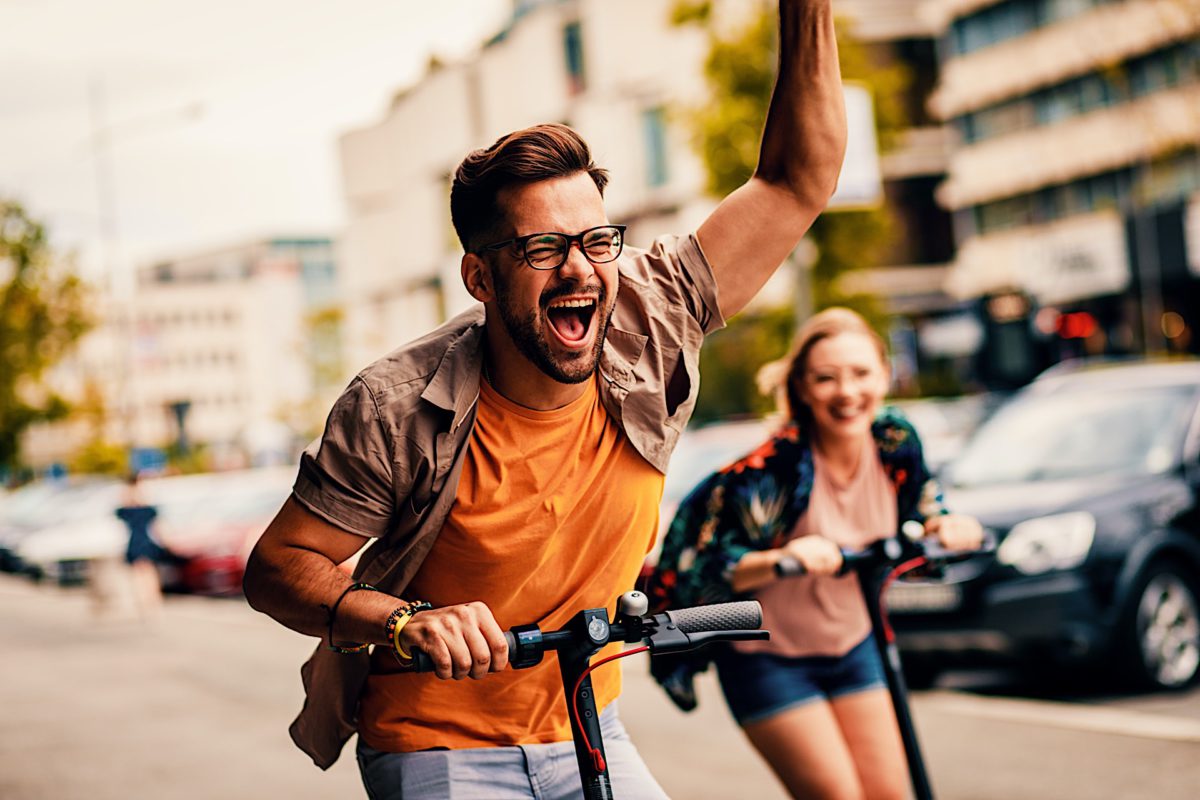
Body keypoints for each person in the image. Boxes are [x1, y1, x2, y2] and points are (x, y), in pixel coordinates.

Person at [241, 3, 847, 796]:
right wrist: (403, 620)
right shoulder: (394, 408)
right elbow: (277, 568)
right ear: (480, 277)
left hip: (586, 724)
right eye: (543, 248)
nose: (581, 270)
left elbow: (798, 178)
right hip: (435, 743)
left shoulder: (651, 316)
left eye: (597, 242)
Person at [644, 307, 984, 799]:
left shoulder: (894, 441)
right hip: (770, 659)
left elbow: (925, 503)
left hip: (854, 645)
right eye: (827, 378)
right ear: (802, 388)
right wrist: (787, 557)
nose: (848, 393)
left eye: (861, 373)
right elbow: (705, 569)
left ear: (884, 376)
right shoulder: (773, 469)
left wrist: (946, 524)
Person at [115, 472, 165, 621]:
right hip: (141, 539)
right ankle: (150, 601)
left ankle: (147, 601)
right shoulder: (142, 503)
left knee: (143, 572)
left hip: (137, 539)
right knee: (146, 572)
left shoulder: (129, 504)